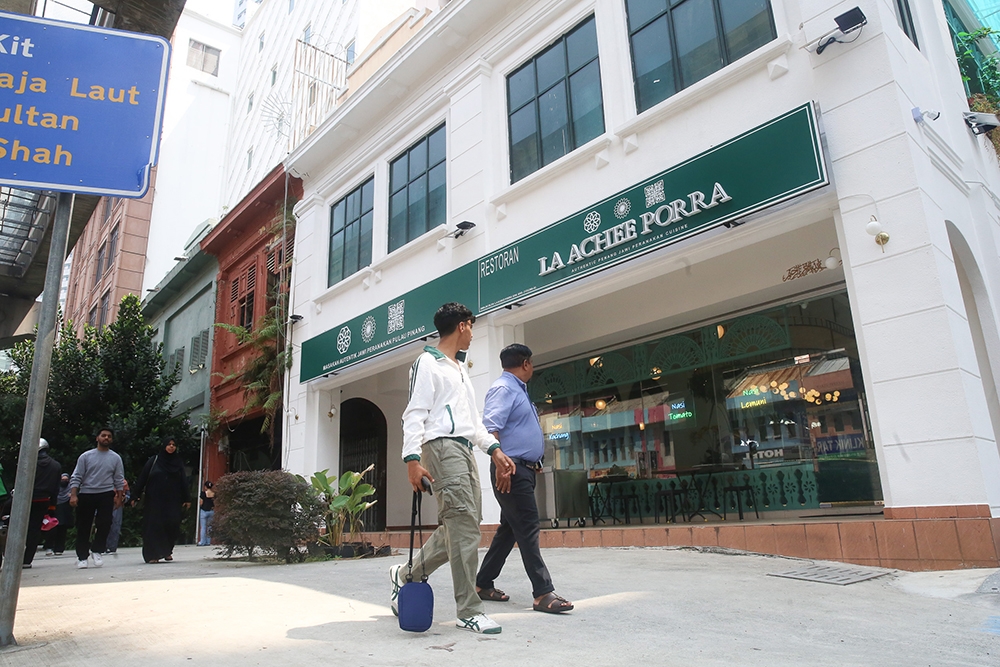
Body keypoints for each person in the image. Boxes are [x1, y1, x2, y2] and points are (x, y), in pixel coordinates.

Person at [389, 302, 515, 635]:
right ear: (462, 326)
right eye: (471, 326)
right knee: (463, 525)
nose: (473, 333)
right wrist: (411, 461)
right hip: (441, 447)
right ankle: (469, 610)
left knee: (461, 525)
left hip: (463, 448)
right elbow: (414, 413)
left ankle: (406, 576)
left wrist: (494, 450)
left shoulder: (459, 369)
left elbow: (472, 421)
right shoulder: (427, 363)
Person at [475, 344, 574, 613]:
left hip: (522, 468)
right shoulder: (505, 389)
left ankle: (482, 584)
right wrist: (502, 466)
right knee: (528, 527)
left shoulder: (518, 390)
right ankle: (542, 593)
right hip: (511, 471)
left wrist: (533, 460)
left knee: (510, 529)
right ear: (526, 363)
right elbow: (490, 429)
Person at [70, 427, 125, 569]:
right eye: (103, 435)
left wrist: (119, 497)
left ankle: (97, 550)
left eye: (109, 436)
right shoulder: (86, 457)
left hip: (106, 494)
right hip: (87, 493)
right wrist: (74, 494)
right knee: (84, 525)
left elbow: (119, 479)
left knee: (105, 523)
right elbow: (77, 476)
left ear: (111, 439)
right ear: (97, 438)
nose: (106, 438)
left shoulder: (115, 458)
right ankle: (82, 556)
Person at [131, 436, 190, 564]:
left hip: (173, 500)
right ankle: (152, 555)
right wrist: (135, 495)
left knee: (172, 524)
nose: (171, 446)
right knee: (154, 526)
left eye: (174, 444)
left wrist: (187, 498)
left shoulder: (177, 462)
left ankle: (167, 551)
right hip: (155, 501)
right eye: (168, 444)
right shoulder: (154, 461)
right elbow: (143, 478)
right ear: (164, 446)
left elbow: (183, 481)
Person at [23, 438, 61, 568]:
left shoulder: (29, 463)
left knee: (18, 528)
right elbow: (56, 489)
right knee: (34, 530)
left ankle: (14, 555)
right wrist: (52, 507)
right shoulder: (55, 465)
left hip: (26, 499)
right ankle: (27, 560)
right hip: (44, 501)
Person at [45, 473, 73, 556]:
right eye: (62, 479)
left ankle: (59, 548)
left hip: (65, 513)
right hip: (54, 511)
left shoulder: (70, 490)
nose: (64, 481)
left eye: (66, 480)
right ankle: (49, 547)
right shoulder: (55, 489)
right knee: (52, 529)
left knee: (62, 530)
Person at [106, 478, 130, 554]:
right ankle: (102, 546)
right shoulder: (103, 480)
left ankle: (112, 547)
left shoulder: (123, 482)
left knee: (115, 526)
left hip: (117, 504)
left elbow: (128, 495)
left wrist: (124, 498)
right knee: (103, 524)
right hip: (105, 503)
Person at [198, 480, 215, 546]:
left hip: (204, 511)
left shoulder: (203, 494)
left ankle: (202, 542)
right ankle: (208, 541)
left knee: (203, 527)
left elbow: (201, 502)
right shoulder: (214, 494)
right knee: (210, 527)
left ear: (205, 487)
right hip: (211, 511)